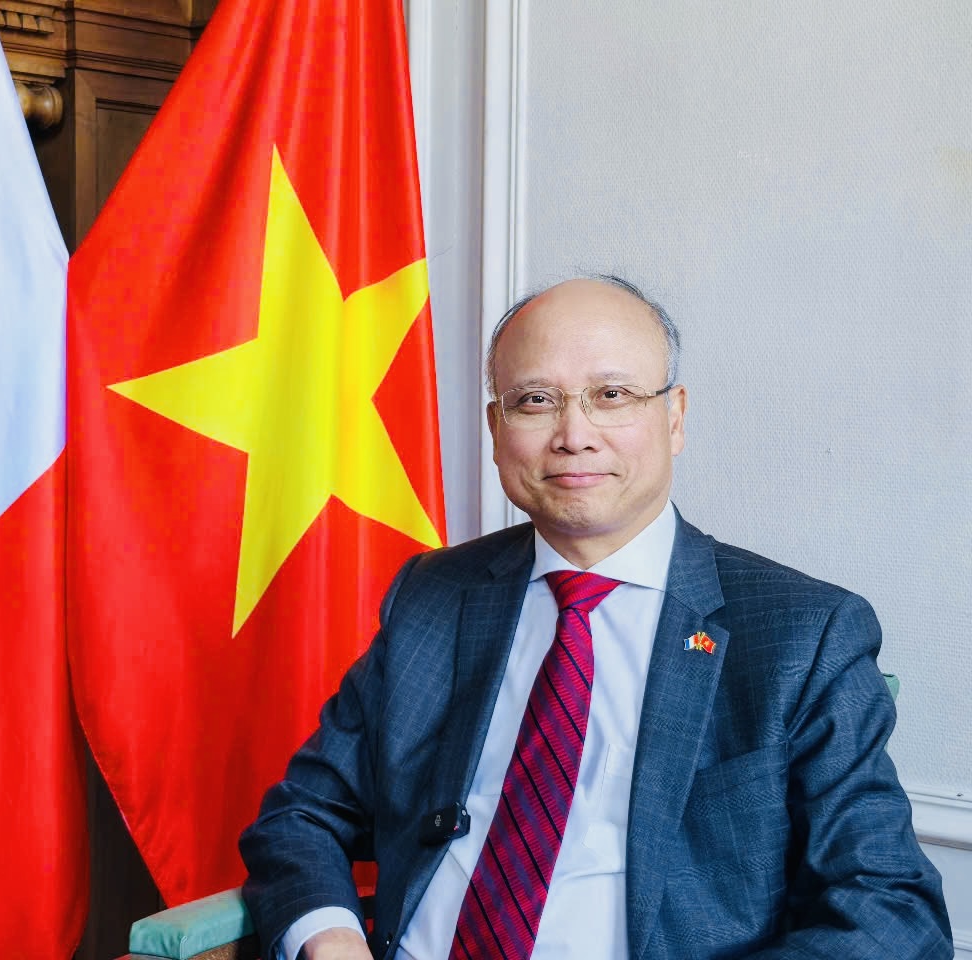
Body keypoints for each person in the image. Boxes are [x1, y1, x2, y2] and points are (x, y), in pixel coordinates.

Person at [238, 276, 952, 960]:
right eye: (535, 400)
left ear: (674, 417)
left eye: (612, 395)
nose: (574, 435)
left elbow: (893, 915)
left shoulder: (803, 634)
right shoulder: (434, 594)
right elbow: (302, 813)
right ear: (496, 428)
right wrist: (332, 940)